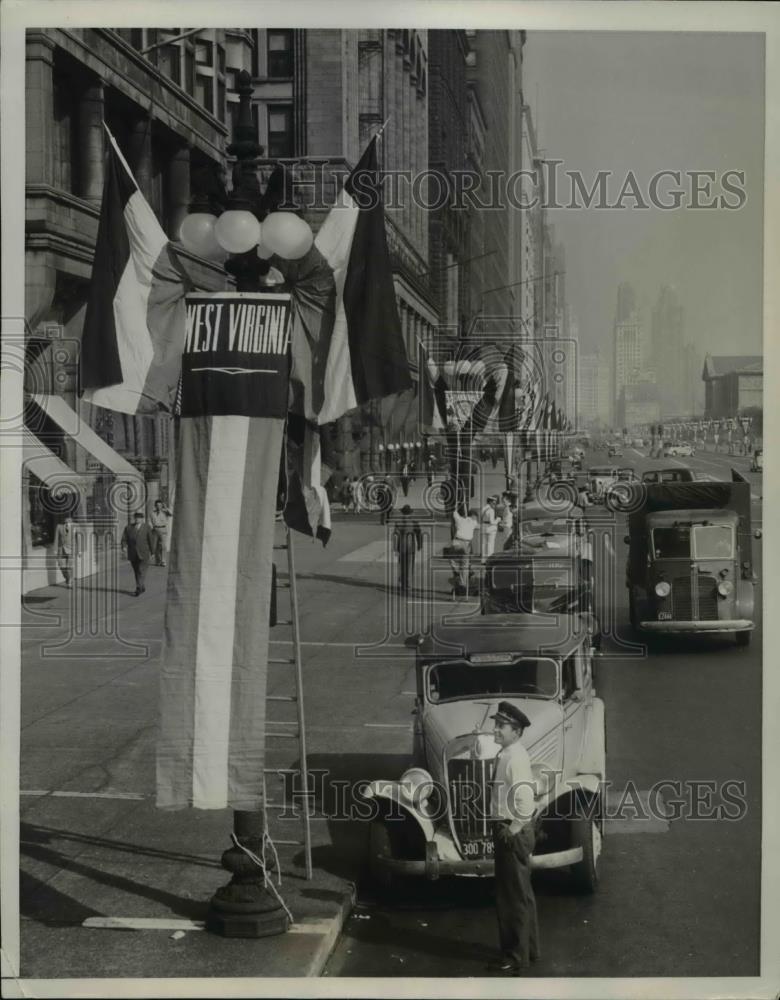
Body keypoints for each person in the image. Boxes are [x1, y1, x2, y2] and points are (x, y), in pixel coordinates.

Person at [489, 701, 540, 975]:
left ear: (516, 731)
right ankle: (529, 950)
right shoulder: (509, 753)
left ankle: (514, 957)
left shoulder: (514, 758)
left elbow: (524, 799)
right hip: (511, 827)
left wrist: (514, 828)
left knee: (511, 898)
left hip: (511, 831)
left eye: (501, 726)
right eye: (496, 724)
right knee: (522, 893)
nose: (495, 730)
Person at [121, 510, 155, 596]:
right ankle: (141, 586)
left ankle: (138, 588)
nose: (137, 519)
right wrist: (124, 547)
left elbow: (151, 540)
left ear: (142, 519)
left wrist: (153, 552)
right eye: (136, 518)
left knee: (141, 570)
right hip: (132, 553)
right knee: (136, 571)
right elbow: (124, 539)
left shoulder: (147, 527)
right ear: (134, 518)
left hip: (144, 553)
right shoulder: (128, 527)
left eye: (139, 518)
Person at [392, 504, 422, 594]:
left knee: (402, 565)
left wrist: (395, 548)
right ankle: (408, 585)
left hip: (401, 546)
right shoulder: (414, 522)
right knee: (409, 566)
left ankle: (403, 584)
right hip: (410, 547)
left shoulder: (398, 522)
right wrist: (420, 544)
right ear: (410, 513)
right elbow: (418, 533)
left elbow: (395, 535)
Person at [447, 506, 479, 593]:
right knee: (464, 564)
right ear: (473, 516)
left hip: (457, 542)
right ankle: (462, 583)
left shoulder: (460, 520)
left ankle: (456, 570)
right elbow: (478, 525)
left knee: (451, 558)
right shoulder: (474, 522)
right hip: (466, 544)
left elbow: (454, 513)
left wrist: (456, 508)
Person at [54, 514, 76, 587]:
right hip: (61, 549)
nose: (67, 522)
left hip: (71, 549)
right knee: (61, 566)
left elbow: (79, 538)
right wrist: (55, 549)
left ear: (72, 520)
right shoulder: (59, 527)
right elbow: (56, 538)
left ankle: (69, 581)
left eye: (69, 520)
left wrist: (79, 551)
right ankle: (68, 578)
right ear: (64, 520)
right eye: (66, 520)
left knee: (69, 566)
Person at [149, 499, 172, 567]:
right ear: (155, 506)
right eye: (157, 505)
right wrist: (151, 528)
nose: (158, 506)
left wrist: (165, 507)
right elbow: (150, 521)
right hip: (155, 529)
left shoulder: (165, 512)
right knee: (156, 546)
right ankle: (158, 561)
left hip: (163, 529)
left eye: (160, 505)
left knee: (163, 546)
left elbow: (171, 514)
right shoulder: (152, 513)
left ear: (162, 505)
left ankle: (163, 561)